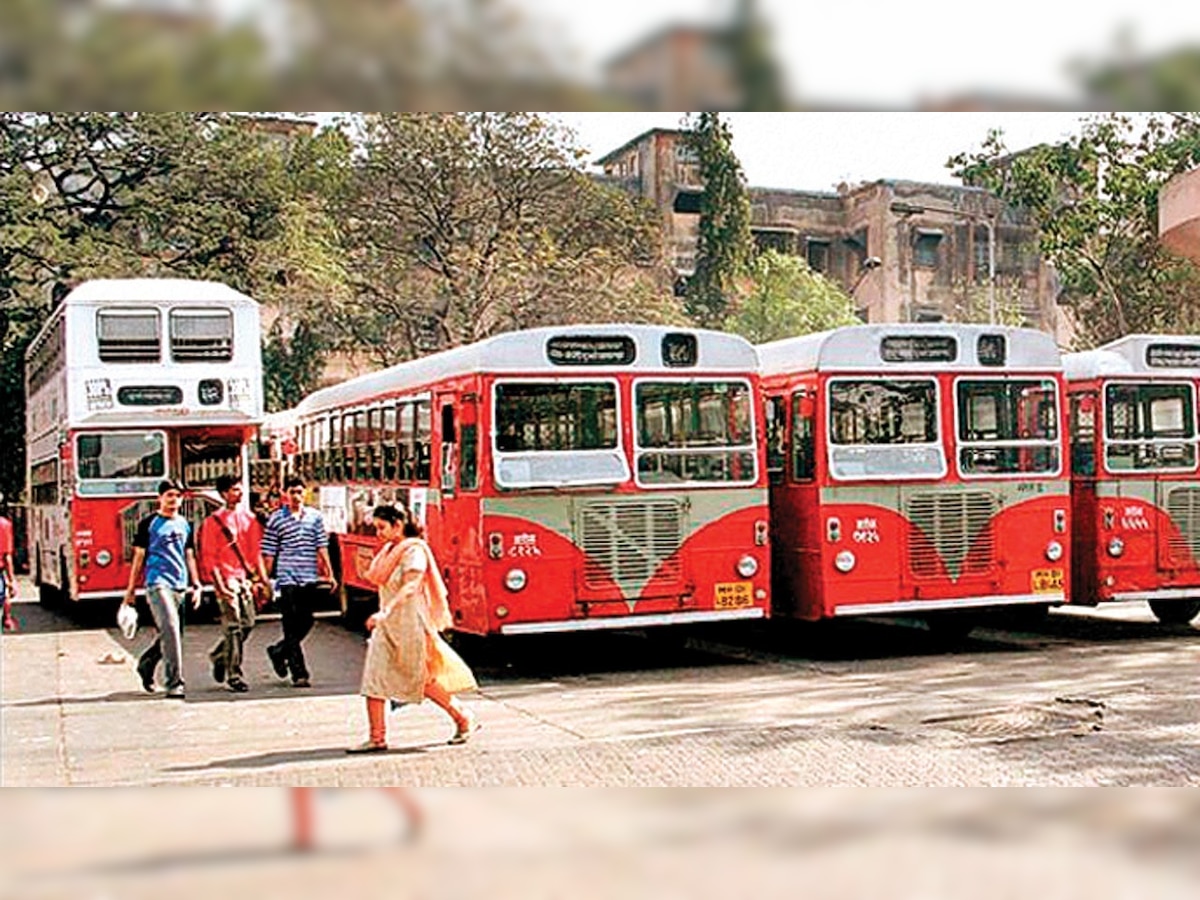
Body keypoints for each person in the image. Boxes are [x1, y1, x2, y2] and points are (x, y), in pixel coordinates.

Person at [348, 504, 478, 753]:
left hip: (410, 623)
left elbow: (410, 588)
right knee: (373, 678)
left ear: (398, 524)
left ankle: (463, 717)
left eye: (381, 527)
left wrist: (386, 612)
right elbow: (375, 577)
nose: (378, 533)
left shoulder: (414, 551)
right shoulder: (388, 551)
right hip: (387, 626)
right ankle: (377, 737)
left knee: (421, 679)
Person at [123, 480, 203, 698]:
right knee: (170, 627)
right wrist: (130, 591)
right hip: (157, 582)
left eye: (177, 495)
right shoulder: (149, 523)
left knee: (173, 634)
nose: (173, 499)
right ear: (160, 498)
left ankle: (147, 664)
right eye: (169, 495)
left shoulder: (185, 524)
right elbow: (138, 558)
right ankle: (174, 682)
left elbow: (189, 555)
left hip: (180, 583)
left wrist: (196, 584)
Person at [198, 474, 270, 693]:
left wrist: (263, 580)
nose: (239, 493)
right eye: (234, 490)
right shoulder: (212, 522)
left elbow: (256, 552)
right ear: (223, 494)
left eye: (240, 489)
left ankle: (220, 656)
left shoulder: (249, 519)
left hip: (244, 579)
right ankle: (234, 674)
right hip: (226, 578)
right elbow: (209, 556)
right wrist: (219, 585)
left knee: (247, 623)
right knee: (233, 627)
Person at [261, 477, 335, 688]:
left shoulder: (315, 517)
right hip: (287, 577)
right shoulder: (276, 519)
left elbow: (321, 545)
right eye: (292, 492)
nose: (296, 496)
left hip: (309, 576)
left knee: (307, 621)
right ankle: (299, 672)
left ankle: (278, 651)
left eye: (299, 492)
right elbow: (269, 551)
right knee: (290, 626)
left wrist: (329, 572)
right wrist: (265, 580)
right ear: (285, 493)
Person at [1, 508, 17, 633]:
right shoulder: (4, 525)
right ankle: (6, 619)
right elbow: (7, 557)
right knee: (4, 597)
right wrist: (11, 580)